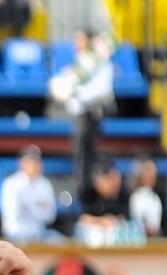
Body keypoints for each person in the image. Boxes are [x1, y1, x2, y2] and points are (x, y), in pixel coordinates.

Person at [48, 29, 114, 195]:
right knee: (80, 154)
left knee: (89, 153)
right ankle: (83, 187)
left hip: (92, 114)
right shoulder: (78, 64)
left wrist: (77, 94)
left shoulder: (100, 63)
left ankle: (91, 189)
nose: (77, 43)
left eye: (81, 39)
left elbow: (101, 90)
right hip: (79, 115)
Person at [0, 145, 59, 244]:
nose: (35, 165)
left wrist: (30, 207)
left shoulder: (45, 184)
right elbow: (13, 216)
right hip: (16, 234)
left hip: (39, 233)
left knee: (59, 241)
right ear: (22, 163)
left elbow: (50, 216)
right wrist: (38, 207)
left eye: (37, 161)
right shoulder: (11, 184)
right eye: (31, 161)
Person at [128, 156, 163, 237]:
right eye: (148, 171)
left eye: (153, 172)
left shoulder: (156, 198)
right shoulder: (134, 197)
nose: (152, 175)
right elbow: (135, 222)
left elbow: (158, 225)